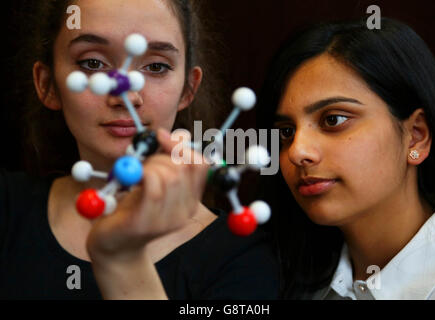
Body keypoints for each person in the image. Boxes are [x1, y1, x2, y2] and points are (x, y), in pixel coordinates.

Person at [0, 0, 279, 299]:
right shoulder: (7, 206)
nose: (127, 96)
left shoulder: (240, 258)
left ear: (188, 89)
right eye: (92, 63)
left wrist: (121, 258)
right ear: (47, 84)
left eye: (157, 66)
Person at [257, 17, 435, 300]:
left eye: (333, 120)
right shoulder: (276, 277)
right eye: (286, 132)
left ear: (416, 136)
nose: (297, 152)